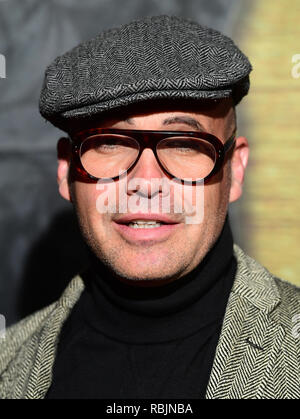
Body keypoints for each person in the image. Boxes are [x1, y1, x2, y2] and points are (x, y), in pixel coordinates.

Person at [0, 15, 299, 400]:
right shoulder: (9, 365)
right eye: (110, 142)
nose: (145, 182)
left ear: (235, 170)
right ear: (66, 171)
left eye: (184, 144)